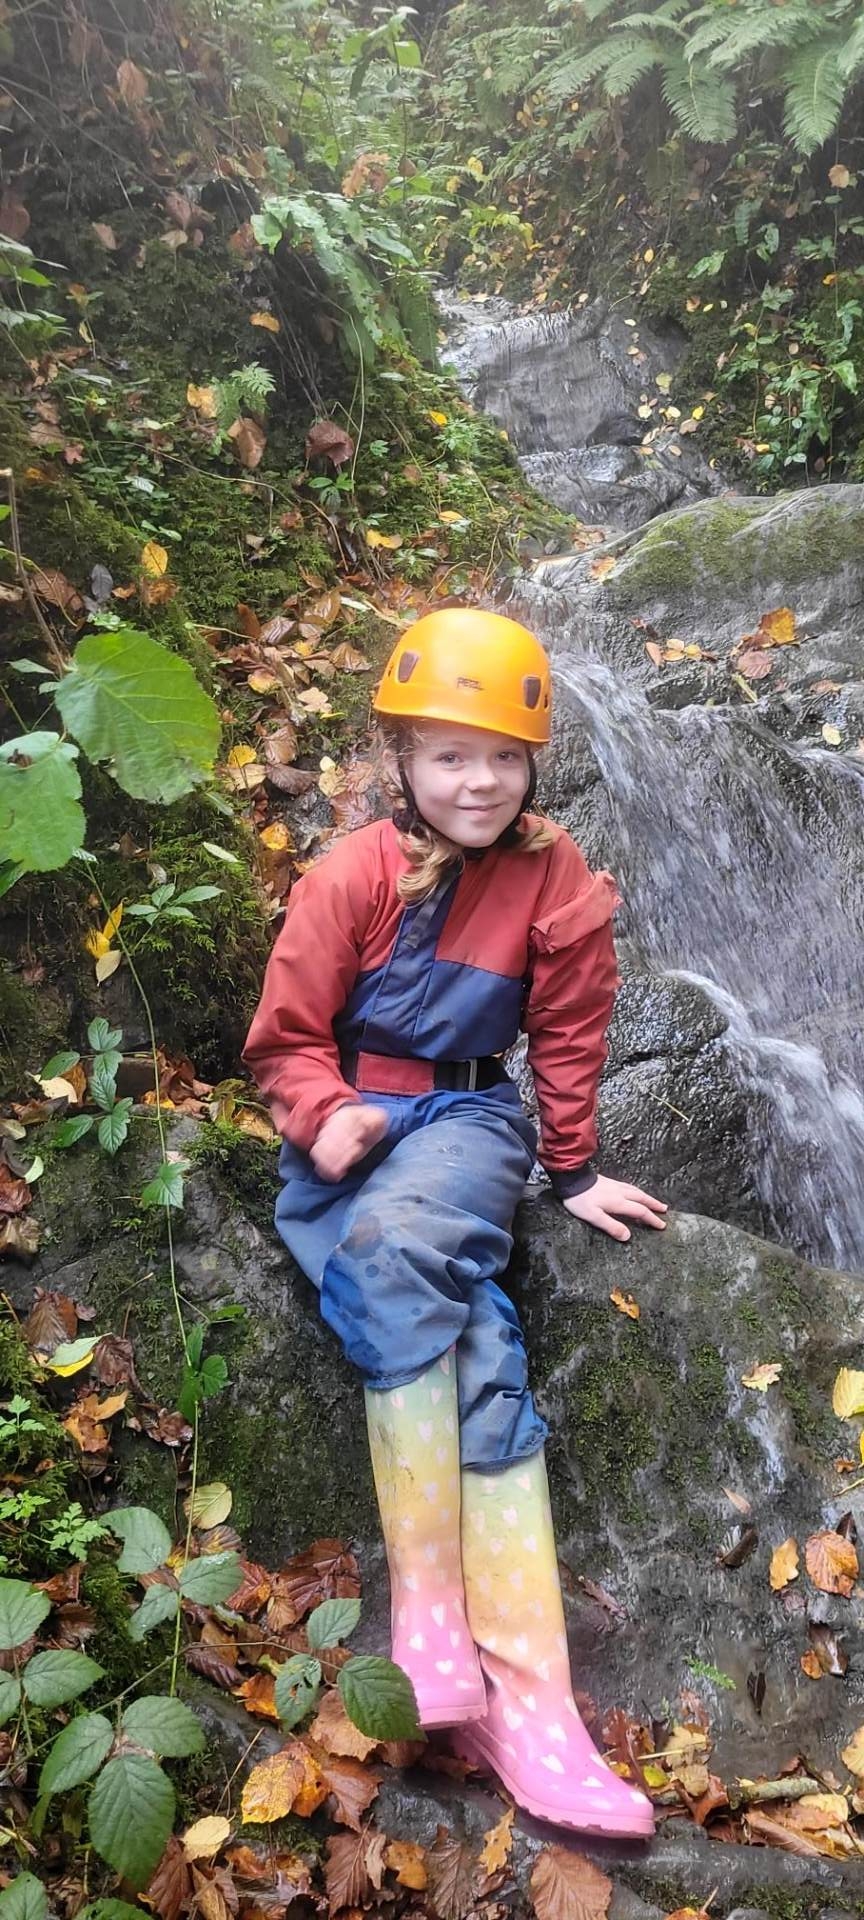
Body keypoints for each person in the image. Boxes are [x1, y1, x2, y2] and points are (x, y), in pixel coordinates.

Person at [244, 607, 667, 1838]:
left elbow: (571, 1031)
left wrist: (572, 1168)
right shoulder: (352, 875)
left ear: (532, 764)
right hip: (351, 1138)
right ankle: (527, 1704)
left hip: (471, 1125)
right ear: (402, 760)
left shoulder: (554, 875)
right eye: (448, 755)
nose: (477, 781)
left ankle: (430, 1621)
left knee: (398, 1252)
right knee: (475, 1342)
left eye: (501, 758)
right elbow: (284, 1038)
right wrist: (322, 1112)